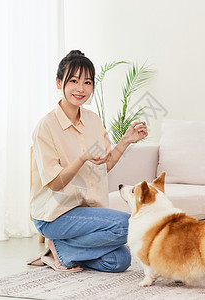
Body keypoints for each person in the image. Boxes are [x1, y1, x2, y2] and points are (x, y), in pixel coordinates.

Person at [28, 50, 148, 273]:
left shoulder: (92, 120)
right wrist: (82, 158)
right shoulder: (46, 127)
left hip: (85, 212)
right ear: (58, 82)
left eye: (87, 82)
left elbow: (104, 165)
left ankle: (62, 251)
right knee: (129, 224)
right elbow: (55, 184)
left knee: (120, 260)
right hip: (55, 215)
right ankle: (57, 244)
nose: (80, 88)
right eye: (73, 81)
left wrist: (127, 140)